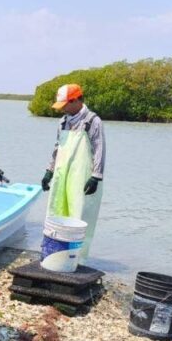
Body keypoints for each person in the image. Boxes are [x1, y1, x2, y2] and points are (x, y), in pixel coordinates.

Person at [40, 83, 105, 262]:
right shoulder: (63, 122)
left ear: (75, 100)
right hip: (62, 175)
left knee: (80, 216)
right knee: (56, 212)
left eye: (65, 105)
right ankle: (54, 256)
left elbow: (99, 149)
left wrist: (96, 176)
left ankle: (77, 259)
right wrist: (49, 171)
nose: (63, 110)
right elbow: (57, 148)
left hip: (82, 177)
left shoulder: (93, 121)